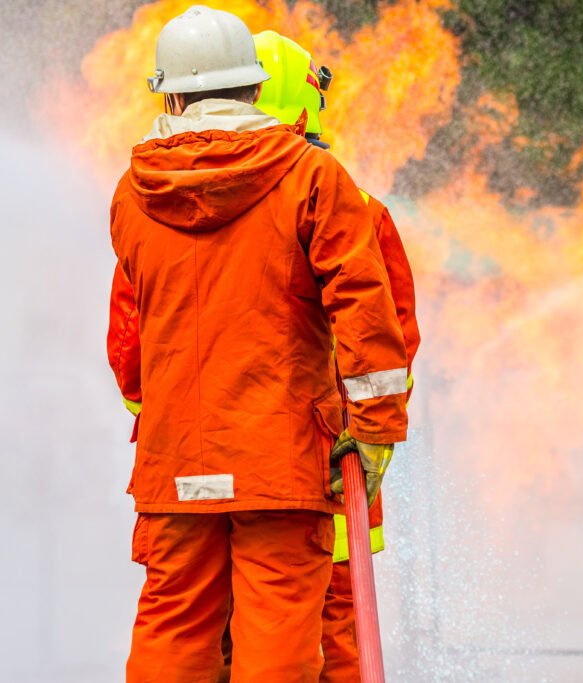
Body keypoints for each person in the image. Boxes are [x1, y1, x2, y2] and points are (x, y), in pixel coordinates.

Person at [105, 6, 409, 682]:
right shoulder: (311, 177)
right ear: (250, 89)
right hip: (283, 460)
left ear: (172, 94)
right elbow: (366, 309)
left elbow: (131, 336)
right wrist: (376, 432)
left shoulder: (133, 193)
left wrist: (158, 422)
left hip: (173, 464)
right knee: (278, 634)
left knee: (174, 629)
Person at [214, 30, 421, 683]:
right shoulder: (353, 204)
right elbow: (394, 334)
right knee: (334, 627)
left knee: (217, 624)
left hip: (212, 464)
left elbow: (134, 344)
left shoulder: (172, 193)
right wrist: (369, 432)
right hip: (327, 459)